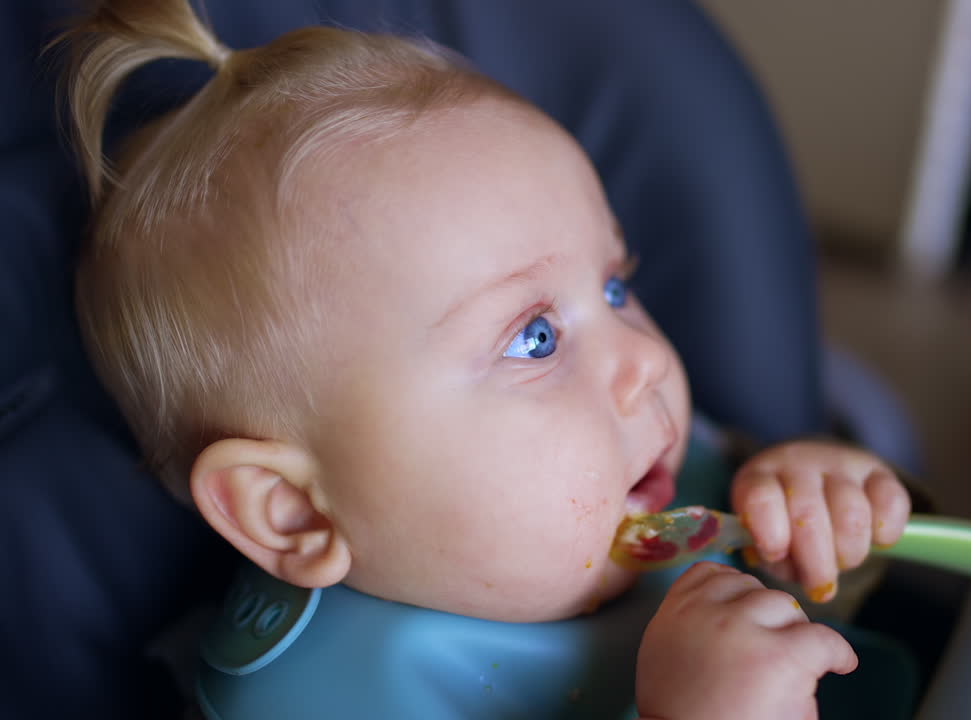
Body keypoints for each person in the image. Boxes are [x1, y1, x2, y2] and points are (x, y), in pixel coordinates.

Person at [54, 1, 912, 717]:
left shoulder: (657, 473)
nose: (643, 361)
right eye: (534, 338)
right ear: (291, 512)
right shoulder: (334, 701)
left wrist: (827, 520)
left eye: (615, 289)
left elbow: (849, 592)